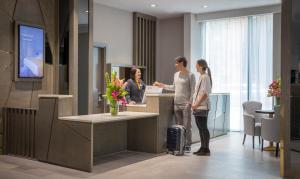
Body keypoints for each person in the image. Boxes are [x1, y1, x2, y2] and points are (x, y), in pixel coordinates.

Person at [154, 56, 195, 152]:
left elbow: (193, 90)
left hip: (186, 105)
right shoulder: (176, 74)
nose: (175, 65)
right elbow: (173, 87)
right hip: (176, 104)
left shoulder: (191, 75)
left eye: (176, 63)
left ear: (181, 63)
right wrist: (162, 85)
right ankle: (179, 145)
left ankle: (187, 145)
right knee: (179, 126)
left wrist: (190, 102)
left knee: (187, 126)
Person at [192, 59, 212, 156]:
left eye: (196, 65)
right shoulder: (201, 77)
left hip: (202, 107)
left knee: (203, 128)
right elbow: (198, 93)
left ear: (200, 66)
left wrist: (196, 104)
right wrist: (193, 103)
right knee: (200, 128)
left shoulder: (205, 77)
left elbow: (205, 94)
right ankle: (202, 147)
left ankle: (206, 149)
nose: (195, 66)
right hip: (198, 106)